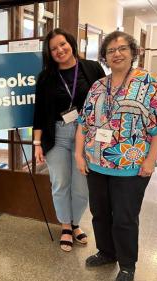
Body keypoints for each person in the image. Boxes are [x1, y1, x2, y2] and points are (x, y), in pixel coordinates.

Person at [75, 31, 157, 281]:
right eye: (110, 50)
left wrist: (151, 160)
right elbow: (83, 124)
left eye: (122, 49)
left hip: (131, 166)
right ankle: (107, 252)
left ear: (132, 52)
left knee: (124, 217)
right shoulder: (98, 85)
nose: (116, 54)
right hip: (96, 163)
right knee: (99, 213)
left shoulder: (148, 83)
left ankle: (127, 264)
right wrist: (79, 154)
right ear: (104, 56)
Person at [33, 28, 105, 252]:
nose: (59, 50)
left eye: (62, 44)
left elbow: (106, 101)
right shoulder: (46, 77)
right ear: (49, 53)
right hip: (58, 134)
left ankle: (75, 223)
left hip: (86, 134)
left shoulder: (92, 68)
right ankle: (65, 225)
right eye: (53, 48)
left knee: (82, 185)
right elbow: (39, 112)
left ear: (71, 44)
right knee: (60, 182)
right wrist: (37, 143)